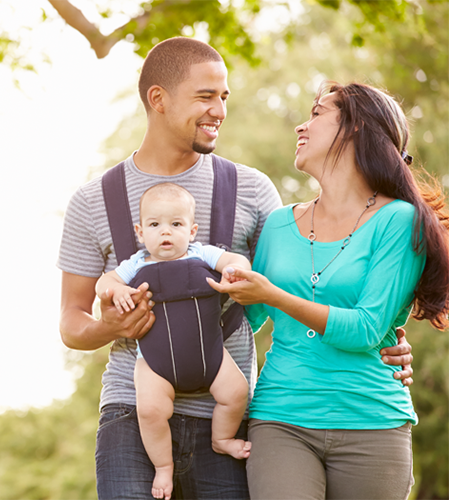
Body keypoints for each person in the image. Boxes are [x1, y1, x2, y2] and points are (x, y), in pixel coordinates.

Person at [57, 37, 414, 500]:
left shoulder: (252, 189)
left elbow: (292, 285)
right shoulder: (92, 202)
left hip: (229, 416)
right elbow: (71, 323)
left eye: (224, 97)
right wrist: (109, 326)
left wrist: (385, 336)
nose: (219, 110)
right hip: (134, 411)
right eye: (205, 96)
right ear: (158, 99)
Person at [208, 81, 449, 500]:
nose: (302, 126)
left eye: (318, 113)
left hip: (372, 422)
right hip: (280, 418)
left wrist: (274, 295)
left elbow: (365, 331)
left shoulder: (399, 221)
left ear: (355, 128)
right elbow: (242, 322)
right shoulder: (280, 224)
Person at [95, 182, 252, 500]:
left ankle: (222, 439)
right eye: (155, 225)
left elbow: (235, 260)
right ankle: (163, 466)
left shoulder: (202, 253)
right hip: (155, 364)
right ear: (140, 232)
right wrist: (117, 290)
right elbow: (104, 282)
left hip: (211, 358)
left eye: (176, 224)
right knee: (150, 410)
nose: (165, 232)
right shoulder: (135, 264)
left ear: (192, 230)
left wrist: (235, 271)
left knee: (237, 393)